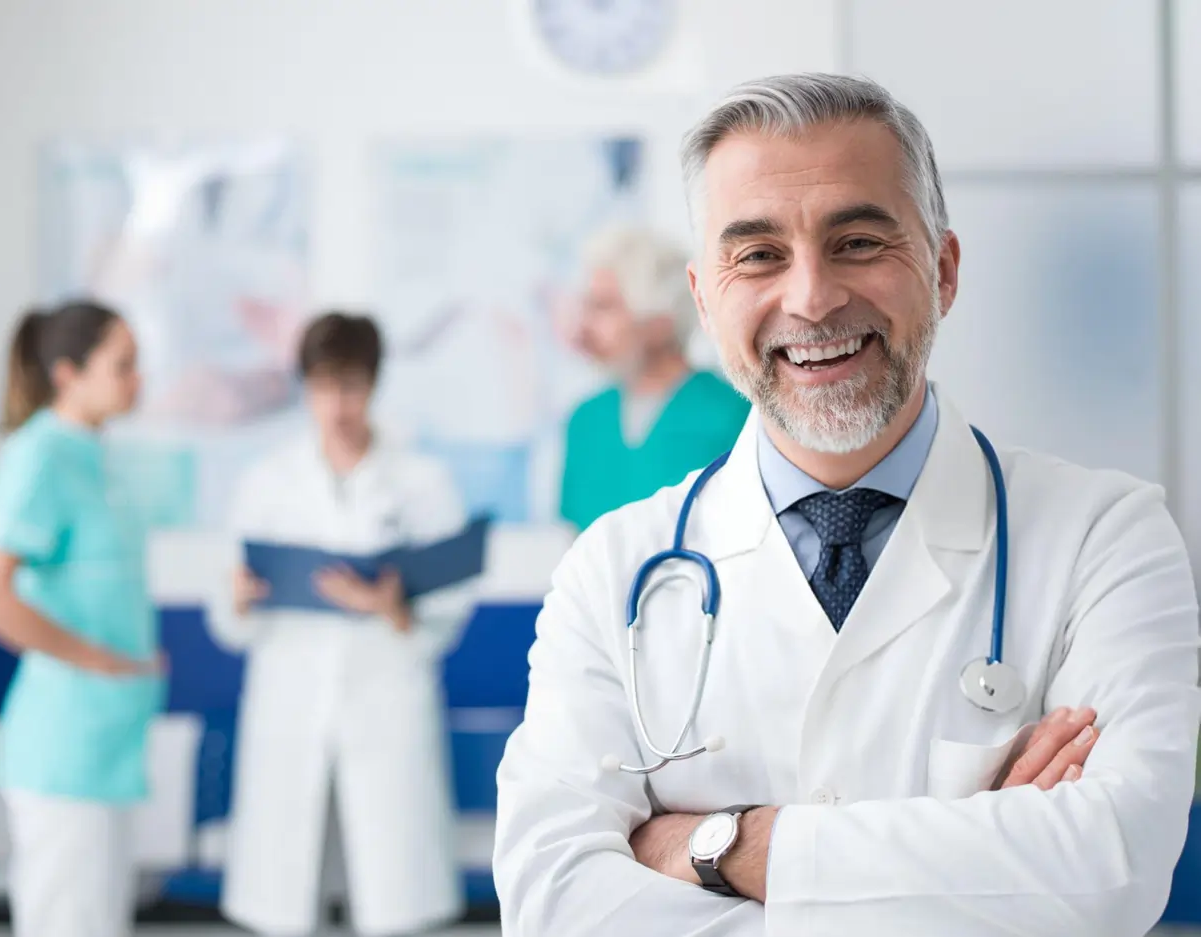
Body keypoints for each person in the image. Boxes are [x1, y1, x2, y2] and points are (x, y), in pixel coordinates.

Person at [493, 74, 1201, 936]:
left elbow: (1112, 867)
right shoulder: (611, 571)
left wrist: (720, 846)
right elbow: (554, 900)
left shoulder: (1106, 538)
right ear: (703, 299)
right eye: (757, 255)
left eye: (859, 240)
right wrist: (988, 868)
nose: (812, 297)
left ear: (942, 270)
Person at [208, 311, 476, 937]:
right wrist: (242, 599)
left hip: (386, 705)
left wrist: (393, 609)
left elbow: (449, 611)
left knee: (393, 903)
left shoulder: (421, 481)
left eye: (352, 386)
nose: (338, 404)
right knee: (285, 902)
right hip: (290, 707)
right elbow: (227, 622)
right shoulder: (268, 481)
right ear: (305, 387)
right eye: (325, 387)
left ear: (375, 385)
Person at [0, 301, 165, 937]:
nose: (139, 379)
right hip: (64, 749)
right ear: (67, 373)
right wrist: (99, 661)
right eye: (123, 365)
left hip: (108, 746)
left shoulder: (95, 456)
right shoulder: (39, 455)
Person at [558, 224, 750, 531]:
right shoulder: (586, 420)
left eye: (604, 307)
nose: (585, 326)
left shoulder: (732, 415)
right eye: (588, 306)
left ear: (660, 320)